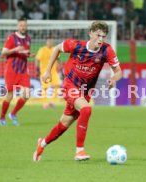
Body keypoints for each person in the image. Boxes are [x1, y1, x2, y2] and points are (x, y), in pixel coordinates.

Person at [33, 21, 123, 161]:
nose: (100, 39)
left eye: (103, 36)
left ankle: (42, 144)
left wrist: (113, 79)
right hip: (70, 85)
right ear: (90, 34)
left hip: (85, 92)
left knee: (64, 123)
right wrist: (47, 72)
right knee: (86, 110)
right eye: (98, 35)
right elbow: (56, 49)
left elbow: (118, 71)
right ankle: (79, 151)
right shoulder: (76, 45)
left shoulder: (107, 50)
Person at [0, 17, 35, 126]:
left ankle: (13, 113)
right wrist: (15, 49)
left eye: (24, 25)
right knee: (10, 95)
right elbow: (2, 54)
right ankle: (2, 118)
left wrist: (29, 55)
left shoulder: (28, 38)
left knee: (27, 94)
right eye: (21, 25)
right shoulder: (11, 38)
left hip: (23, 71)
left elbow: (23, 53)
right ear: (17, 26)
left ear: (26, 26)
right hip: (11, 71)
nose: (23, 27)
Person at [35, 37, 61, 109]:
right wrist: (37, 69)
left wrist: (61, 68)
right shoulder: (42, 50)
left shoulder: (55, 49)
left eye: (51, 41)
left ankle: (52, 101)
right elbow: (37, 60)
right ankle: (45, 103)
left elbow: (58, 59)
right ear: (46, 42)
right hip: (44, 72)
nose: (50, 42)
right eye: (49, 41)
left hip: (53, 71)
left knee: (57, 85)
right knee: (45, 88)